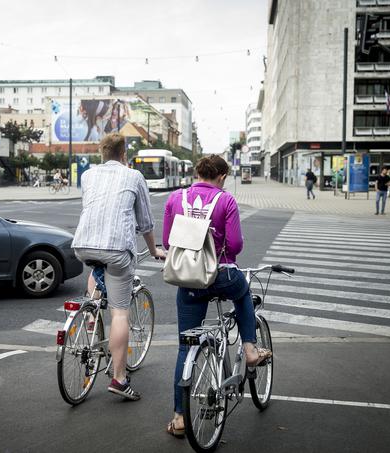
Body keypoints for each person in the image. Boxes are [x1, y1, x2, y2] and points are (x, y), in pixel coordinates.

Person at [162, 154, 271, 437]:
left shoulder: (175, 198)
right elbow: (235, 244)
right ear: (221, 176)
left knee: (185, 347)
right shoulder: (226, 200)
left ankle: (179, 418)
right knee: (244, 290)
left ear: (198, 173)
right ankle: (249, 349)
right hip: (222, 275)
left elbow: (166, 241)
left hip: (189, 280)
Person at [72, 133, 165, 401]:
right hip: (115, 249)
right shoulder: (134, 176)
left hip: (83, 245)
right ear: (124, 154)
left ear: (101, 153)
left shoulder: (88, 175)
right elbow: (145, 223)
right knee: (120, 314)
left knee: (96, 269)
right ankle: (120, 378)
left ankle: (90, 316)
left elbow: (92, 208)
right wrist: (153, 249)